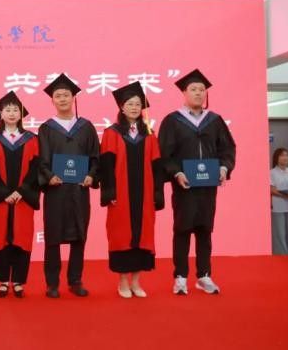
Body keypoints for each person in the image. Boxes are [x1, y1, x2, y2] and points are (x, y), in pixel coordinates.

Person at [158, 69, 236, 295]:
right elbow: (165, 153)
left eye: (202, 90)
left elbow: (227, 148)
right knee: (182, 229)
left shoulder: (215, 121)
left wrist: (224, 167)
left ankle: (204, 275)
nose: (199, 93)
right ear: (184, 93)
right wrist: (176, 173)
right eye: (193, 89)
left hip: (208, 186)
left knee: (205, 230)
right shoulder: (173, 121)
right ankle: (180, 277)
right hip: (185, 185)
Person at [99, 82, 164, 298]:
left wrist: (157, 194)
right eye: (130, 104)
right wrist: (109, 192)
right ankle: (123, 282)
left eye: (137, 104)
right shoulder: (112, 133)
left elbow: (157, 167)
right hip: (121, 195)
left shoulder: (149, 134)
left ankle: (136, 282)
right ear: (122, 107)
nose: (135, 107)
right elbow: (106, 165)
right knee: (121, 235)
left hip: (144, 196)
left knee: (143, 235)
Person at [37, 73, 100, 298]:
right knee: (53, 237)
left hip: (79, 190)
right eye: (58, 96)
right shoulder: (46, 128)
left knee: (79, 235)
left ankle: (75, 280)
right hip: (56, 190)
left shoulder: (86, 127)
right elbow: (41, 159)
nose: (62, 99)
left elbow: (95, 157)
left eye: (66, 95)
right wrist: (49, 176)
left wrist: (91, 175)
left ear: (73, 98)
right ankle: (52, 283)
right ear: (52, 100)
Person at [0, 91, 40, 298]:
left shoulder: (32, 139)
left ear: (21, 114)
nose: (12, 113)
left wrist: (21, 191)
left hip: (24, 198)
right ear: (0, 114)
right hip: (1, 199)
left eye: (16, 110)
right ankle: (3, 280)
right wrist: (4, 193)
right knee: (1, 237)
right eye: (8, 110)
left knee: (22, 236)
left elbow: (35, 168)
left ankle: (18, 281)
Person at [270, 147, 288, 255]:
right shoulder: (272, 172)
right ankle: (281, 256)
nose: (285, 157)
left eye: (286, 155)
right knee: (280, 234)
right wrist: (284, 194)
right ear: (276, 158)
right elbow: (272, 189)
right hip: (278, 207)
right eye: (282, 155)